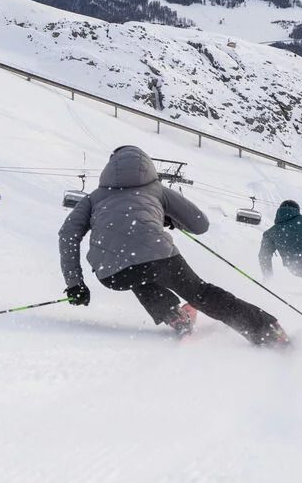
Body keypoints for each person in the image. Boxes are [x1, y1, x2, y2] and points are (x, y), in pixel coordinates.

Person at [59, 145, 288, 346]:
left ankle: (174, 315)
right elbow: (200, 225)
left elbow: (68, 234)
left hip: (111, 273)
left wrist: (75, 284)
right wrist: (170, 218)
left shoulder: (94, 198)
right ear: (146, 166)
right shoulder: (156, 190)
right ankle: (266, 331)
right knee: (200, 293)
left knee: (137, 275)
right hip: (160, 258)